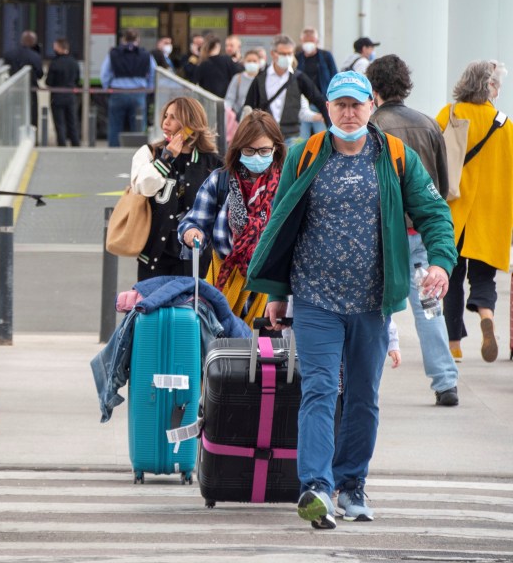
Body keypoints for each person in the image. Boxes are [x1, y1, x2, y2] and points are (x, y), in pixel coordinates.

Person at [246, 71, 456, 528]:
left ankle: (352, 484)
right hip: (316, 297)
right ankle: (316, 487)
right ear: (327, 110)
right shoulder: (305, 155)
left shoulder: (396, 157)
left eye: (356, 104)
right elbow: (282, 228)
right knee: (320, 389)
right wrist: (278, 295)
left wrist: (440, 261)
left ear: (371, 106)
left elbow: (435, 212)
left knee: (363, 397)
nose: (347, 113)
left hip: (373, 301)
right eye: (339, 104)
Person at [367, 55, 459, 405]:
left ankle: (366, 383)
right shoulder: (427, 123)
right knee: (429, 305)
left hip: (383, 234)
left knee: (376, 311)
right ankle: (445, 382)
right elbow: (444, 184)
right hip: (419, 233)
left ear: (373, 89)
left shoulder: (372, 126)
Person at [436, 60, 513, 364]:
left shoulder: (450, 113)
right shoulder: (505, 124)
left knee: (451, 278)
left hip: (454, 209)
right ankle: (486, 315)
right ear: (490, 86)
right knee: (484, 278)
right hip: (491, 213)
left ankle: (454, 345)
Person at [178, 110, 286, 327]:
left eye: (264, 150)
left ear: (276, 149)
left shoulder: (287, 183)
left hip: (270, 289)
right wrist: (191, 232)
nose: (257, 156)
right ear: (238, 150)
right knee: (222, 350)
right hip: (223, 283)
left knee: (265, 354)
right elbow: (194, 222)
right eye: (250, 150)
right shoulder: (220, 180)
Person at [130, 97, 222, 281]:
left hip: (195, 258)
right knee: (152, 307)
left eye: (174, 117)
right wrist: (166, 159)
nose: (166, 122)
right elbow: (143, 188)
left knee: (189, 308)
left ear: (191, 123)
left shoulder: (212, 163)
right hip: (155, 256)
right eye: (165, 116)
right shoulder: (149, 153)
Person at [244, 34, 330, 146]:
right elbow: (249, 105)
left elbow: (318, 99)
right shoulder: (261, 78)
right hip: (265, 134)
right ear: (273, 54)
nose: (287, 57)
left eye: (290, 53)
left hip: (292, 135)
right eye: (283, 54)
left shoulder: (299, 78)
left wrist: (330, 124)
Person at [101, 29, 156, 148]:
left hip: (118, 92)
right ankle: (138, 151)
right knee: (139, 124)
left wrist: (107, 88)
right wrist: (149, 88)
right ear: (138, 40)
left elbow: (105, 73)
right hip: (139, 92)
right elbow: (153, 73)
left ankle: (113, 150)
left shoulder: (113, 53)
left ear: (123, 39)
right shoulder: (146, 55)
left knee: (115, 125)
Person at [294, 27, 337, 140]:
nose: (308, 43)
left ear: (317, 41)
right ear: (301, 41)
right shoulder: (298, 58)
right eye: (306, 41)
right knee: (302, 138)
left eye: (311, 41)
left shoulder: (325, 56)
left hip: (321, 100)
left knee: (321, 136)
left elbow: (334, 75)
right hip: (303, 102)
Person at [3, 30, 44, 125]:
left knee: (12, 115)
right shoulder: (35, 56)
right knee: (31, 116)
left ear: (21, 41)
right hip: (30, 90)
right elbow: (40, 75)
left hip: (13, 90)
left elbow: (5, 71)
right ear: (34, 42)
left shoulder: (9, 54)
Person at [45, 38, 80, 147]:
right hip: (70, 96)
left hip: (57, 97)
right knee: (72, 122)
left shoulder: (55, 63)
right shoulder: (74, 62)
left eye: (55, 47)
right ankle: (75, 144)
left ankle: (62, 144)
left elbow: (49, 82)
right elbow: (77, 79)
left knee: (59, 124)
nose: (54, 49)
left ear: (60, 48)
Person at [224, 49, 262, 120]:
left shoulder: (262, 80)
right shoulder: (238, 78)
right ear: (244, 62)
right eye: (249, 61)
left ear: (259, 63)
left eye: (254, 61)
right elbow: (229, 99)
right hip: (239, 118)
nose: (252, 63)